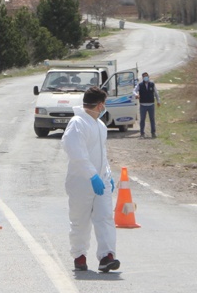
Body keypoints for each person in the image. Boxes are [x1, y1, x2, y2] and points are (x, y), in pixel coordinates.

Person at [61, 86, 120, 272]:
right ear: (99, 105)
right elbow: (75, 152)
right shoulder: (77, 123)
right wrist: (92, 175)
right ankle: (79, 256)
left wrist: (106, 175)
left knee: (105, 218)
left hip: (100, 181)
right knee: (80, 220)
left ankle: (107, 256)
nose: (104, 109)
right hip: (81, 182)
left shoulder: (100, 125)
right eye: (103, 105)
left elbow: (102, 154)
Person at [133, 72, 161, 138]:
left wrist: (158, 101)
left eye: (147, 76)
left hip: (151, 104)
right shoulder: (140, 85)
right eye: (144, 76)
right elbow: (134, 91)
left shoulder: (152, 84)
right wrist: (136, 95)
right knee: (142, 119)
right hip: (143, 105)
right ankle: (142, 133)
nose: (146, 78)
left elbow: (156, 93)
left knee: (152, 119)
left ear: (148, 77)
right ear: (142, 78)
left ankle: (153, 133)